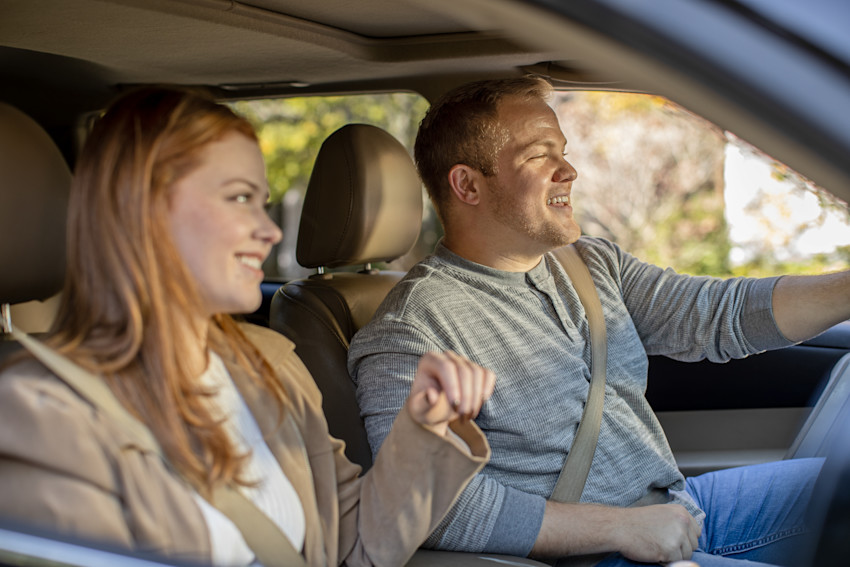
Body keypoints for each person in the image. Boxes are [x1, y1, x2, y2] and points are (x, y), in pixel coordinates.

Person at [348, 76, 849, 566]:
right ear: (467, 185)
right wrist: (620, 528)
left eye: (562, 151)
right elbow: (428, 508)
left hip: (680, 509)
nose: (568, 171)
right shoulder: (413, 329)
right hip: (598, 551)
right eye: (540, 155)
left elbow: (720, 315)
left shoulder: (588, 264)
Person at [0, 86, 497, 567]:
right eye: (239, 199)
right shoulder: (40, 412)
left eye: (262, 202)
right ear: (142, 212)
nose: (271, 231)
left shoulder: (269, 365)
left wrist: (423, 429)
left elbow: (353, 546)